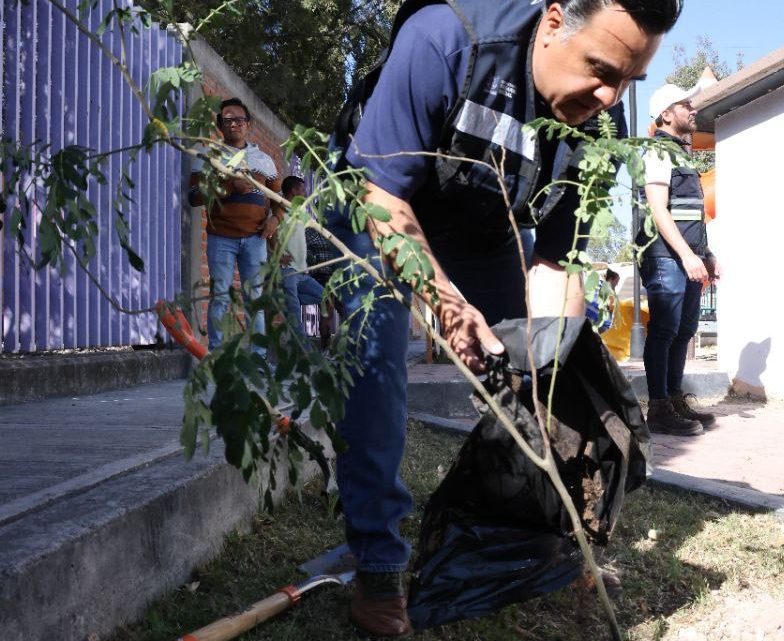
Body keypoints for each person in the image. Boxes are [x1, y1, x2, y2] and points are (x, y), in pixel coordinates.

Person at [327, 1, 683, 636]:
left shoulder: (599, 120)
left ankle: (550, 541)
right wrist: (449, 308)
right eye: (600, 69)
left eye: (628, 80)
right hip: (378, 200)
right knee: (377, 362)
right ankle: (378, 564)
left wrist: (551, 370)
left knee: (544, 374)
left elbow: (556, 258)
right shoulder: (448, 39)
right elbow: (381, 198)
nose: (609, 96)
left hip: (485, 222)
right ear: (552, 23)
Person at [635, 83, 720, 436]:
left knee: (684, 330)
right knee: (665, 330)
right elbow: (658, 210)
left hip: (686, 256)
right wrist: (686, 255)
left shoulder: (681, 155)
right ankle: (658, 409)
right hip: (665, 256)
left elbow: (692, 214)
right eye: (686, 103)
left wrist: (707, 254)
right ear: (666, 114)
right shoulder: (658, 151)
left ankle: (673, 399)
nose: (693, 108)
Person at [189, 97, 283, 355]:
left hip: (256, 240)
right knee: (220, 297)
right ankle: (219, 356)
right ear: (220, 125)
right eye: (228, 120)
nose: (234, 124)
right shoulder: (208, 155)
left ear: (249, 124)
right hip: (221, 239)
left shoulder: (263, 160)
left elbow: (280, 199)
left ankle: (259, 358)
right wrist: (230, 186)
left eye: (239, 119)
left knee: (255, 299)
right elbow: (194, 196)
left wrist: (275, 219)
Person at [277, 176, 325, 336]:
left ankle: (286, 302)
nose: (306, 193)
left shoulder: (301, 210)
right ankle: (303, 351)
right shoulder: (280, 209)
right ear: (293, 191)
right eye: (303, 189)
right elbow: (270, 235)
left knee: (324, 297)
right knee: (296, 313)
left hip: (303, 272)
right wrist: (276, 256)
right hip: (288, 270)